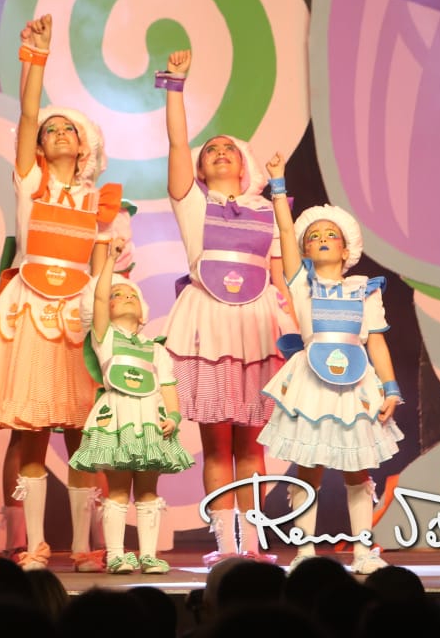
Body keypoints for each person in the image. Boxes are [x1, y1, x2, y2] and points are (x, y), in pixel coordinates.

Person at [0, 15, 120, 571]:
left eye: (67, 130)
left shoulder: (97, 201)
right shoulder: (31, 183)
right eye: (50, 132)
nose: (56, 134)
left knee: (80, 433)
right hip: (30, 311)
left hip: (77, 317)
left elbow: (100, 270)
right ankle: (34, 545)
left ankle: (82, 545)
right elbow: (27, 114)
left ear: (84, 146)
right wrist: (37, 56)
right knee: (31, 432)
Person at [157, 49, 296, 564]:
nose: (219, 153)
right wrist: (176, 84)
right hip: (209, 326)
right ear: (199, 168)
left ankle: (253, 548)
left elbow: (283, 278)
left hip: (258, 327)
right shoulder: (193, 203)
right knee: (216, 446)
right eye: (210, 150)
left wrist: (297, 336)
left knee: (252, 446)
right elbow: (177, 142)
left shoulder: (267, 210)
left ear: (245, 165)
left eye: (229, 150)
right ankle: (226, 548)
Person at [258, 154, 403, 575]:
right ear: (305, 249)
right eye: (314, 236)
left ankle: (363, 550)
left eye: (330, 234)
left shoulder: (364, 290)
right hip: (312, 384)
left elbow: (376, 342)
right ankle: (304, 552)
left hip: (355, 385)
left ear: (346, 248)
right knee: (309, 469)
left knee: (357, 469)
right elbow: (286, 231)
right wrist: (279, 184)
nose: (321, 238)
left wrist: (390, 388)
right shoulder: (302, 285)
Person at [69, 249, 193, 573]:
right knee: (119, 488)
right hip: (118, 418)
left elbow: (167, 386)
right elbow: (97, 298)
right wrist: (109, 263)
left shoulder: (156, 349)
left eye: (132, 295)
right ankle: (115, 554)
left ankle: (148, 555)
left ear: (143, 314)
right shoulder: (105, 338)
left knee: (149, 489)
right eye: (117, 295)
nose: (125, 297)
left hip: (150, 421)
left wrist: (174, 417)